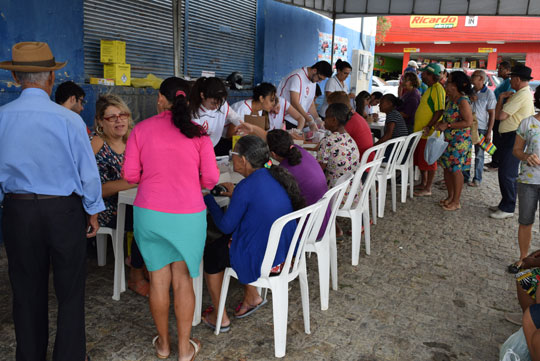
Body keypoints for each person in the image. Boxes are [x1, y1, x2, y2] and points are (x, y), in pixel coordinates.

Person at [0, 42, 104, 361]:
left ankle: (29, 356)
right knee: (70, 290)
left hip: (18, 211)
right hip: (63, 211)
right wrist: (93, 211)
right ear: (50, 78)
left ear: (17, 77)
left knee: (26, 291)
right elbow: (88, 174)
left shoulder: (2, 117)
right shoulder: (69, 120)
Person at [123, 77, 219, 360]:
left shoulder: (140, 130)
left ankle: (163, 345)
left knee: (158, 280)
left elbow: (130, 176)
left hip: (150, 214)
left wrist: (154, 175)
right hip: (188, 216)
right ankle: (184, 349)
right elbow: (211, 179)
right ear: (190, 102)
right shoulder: (199, 134)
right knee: (183, 281)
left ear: (161, 99)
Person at [202, 135, 303, 330]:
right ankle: (252, 296)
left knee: (212, 254)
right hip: (285, 253)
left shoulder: (247, 187)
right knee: (233, 240)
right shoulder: (275, 175)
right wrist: (238, 193)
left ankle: (220, 317)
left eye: (233, 155)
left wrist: (209, 201)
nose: (232, 159)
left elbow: (225, 227)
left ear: (244, 160)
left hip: (266, 259)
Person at [90, 95, 148, 297]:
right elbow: (92, 188)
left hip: (132, 201)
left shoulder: (132, 139)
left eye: (122, 115)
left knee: (158, 214)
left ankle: (144, 262)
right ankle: (136, 275)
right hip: (104, 209)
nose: (119, 120)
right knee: (146, 221)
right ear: (100, 121)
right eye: (111, 117)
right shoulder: (96, 144)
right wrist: (132, 182)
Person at [491, 65, 535, 220]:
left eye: (511, 78)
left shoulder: (521, 95)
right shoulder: (521, 93)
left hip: (513, 137)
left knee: (507, 173)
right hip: (510, 136)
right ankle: (505, 203)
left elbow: (500, 116)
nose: (510, 80)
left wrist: (501, 98)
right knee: (505, 171)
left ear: (517, 79)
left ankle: (508, 206)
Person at [267, 129, 329, 238]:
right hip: (324, 219)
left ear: (273, 154)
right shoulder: (300, 151)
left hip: (308, 228)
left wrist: (266, 165)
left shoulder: (285, 172)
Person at [508, 87, 540, 273]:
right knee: (525, 220)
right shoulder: (527, 123)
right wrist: (526, 155)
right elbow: (516, 150)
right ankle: (523, 259)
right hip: (528, 180)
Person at [433, 71, 474, 211]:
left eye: (449, 82)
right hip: (448, 140)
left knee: (456, 170)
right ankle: (450, 197)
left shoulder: (463, 101)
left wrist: (448, 125)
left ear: (456, 85)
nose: (446, 84)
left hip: (459, 141)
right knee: (447, 168)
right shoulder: (451, 99)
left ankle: (456, 201)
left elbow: (468, 122)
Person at [413, 63, 446, 197]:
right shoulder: (430, 88)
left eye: (424, 73)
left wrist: (430, 126)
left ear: (431, 75)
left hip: (429, 133)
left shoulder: (438, 89)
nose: (421, 75)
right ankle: (423, 182)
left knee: (430, 161)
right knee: (422, 159)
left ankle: (428, 187)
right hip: (422, 133)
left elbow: (439, 110)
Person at [230, 82, 306, 134]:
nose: (273, 104)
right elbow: (230, 134)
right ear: (261, 98)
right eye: (271, 100)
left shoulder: (259, 110)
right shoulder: (243, 108)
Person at [463, 70, 496, 187]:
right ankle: (464, 177)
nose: (471, 78)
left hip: (481, 128)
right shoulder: (470, 92)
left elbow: (492, 114)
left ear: (481, 79)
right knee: (466, 153)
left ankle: (477, 179)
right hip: (468, 126)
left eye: (474, 76)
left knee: (479, 155)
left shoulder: (489, 94)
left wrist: (489, 132)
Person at [277, 61, 332, 131]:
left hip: (299, 120)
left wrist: (317, 119)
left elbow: (310, 104)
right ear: (314, 70)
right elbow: (294, 102)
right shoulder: (297, 77)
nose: (319, 81)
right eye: (320, 78)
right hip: (285, 119)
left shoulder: (313, 80)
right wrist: (309, 120)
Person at [318, 103, 360, 188]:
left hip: (335, 193)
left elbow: (318, 170)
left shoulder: (327, 141)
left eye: (326, 117)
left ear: (334, 120)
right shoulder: (349, 139)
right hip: (353, 192)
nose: (324, 120)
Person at [327, 91, 374, 162]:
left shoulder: (348, 122)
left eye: (330, 107)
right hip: (367, 161)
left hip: (360, 164)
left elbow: (330, 145)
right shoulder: (354, 116)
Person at [487, 61, 514, 170]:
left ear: (508, 70)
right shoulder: (503, 82)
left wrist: (500, 104)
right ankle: (494, 160)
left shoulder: (509, 83)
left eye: (501, 69)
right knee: (496, 139)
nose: (498, 71)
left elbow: (508, 96)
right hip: (496, 112)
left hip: (500, 114)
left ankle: (497, 162)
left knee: (498, 139)